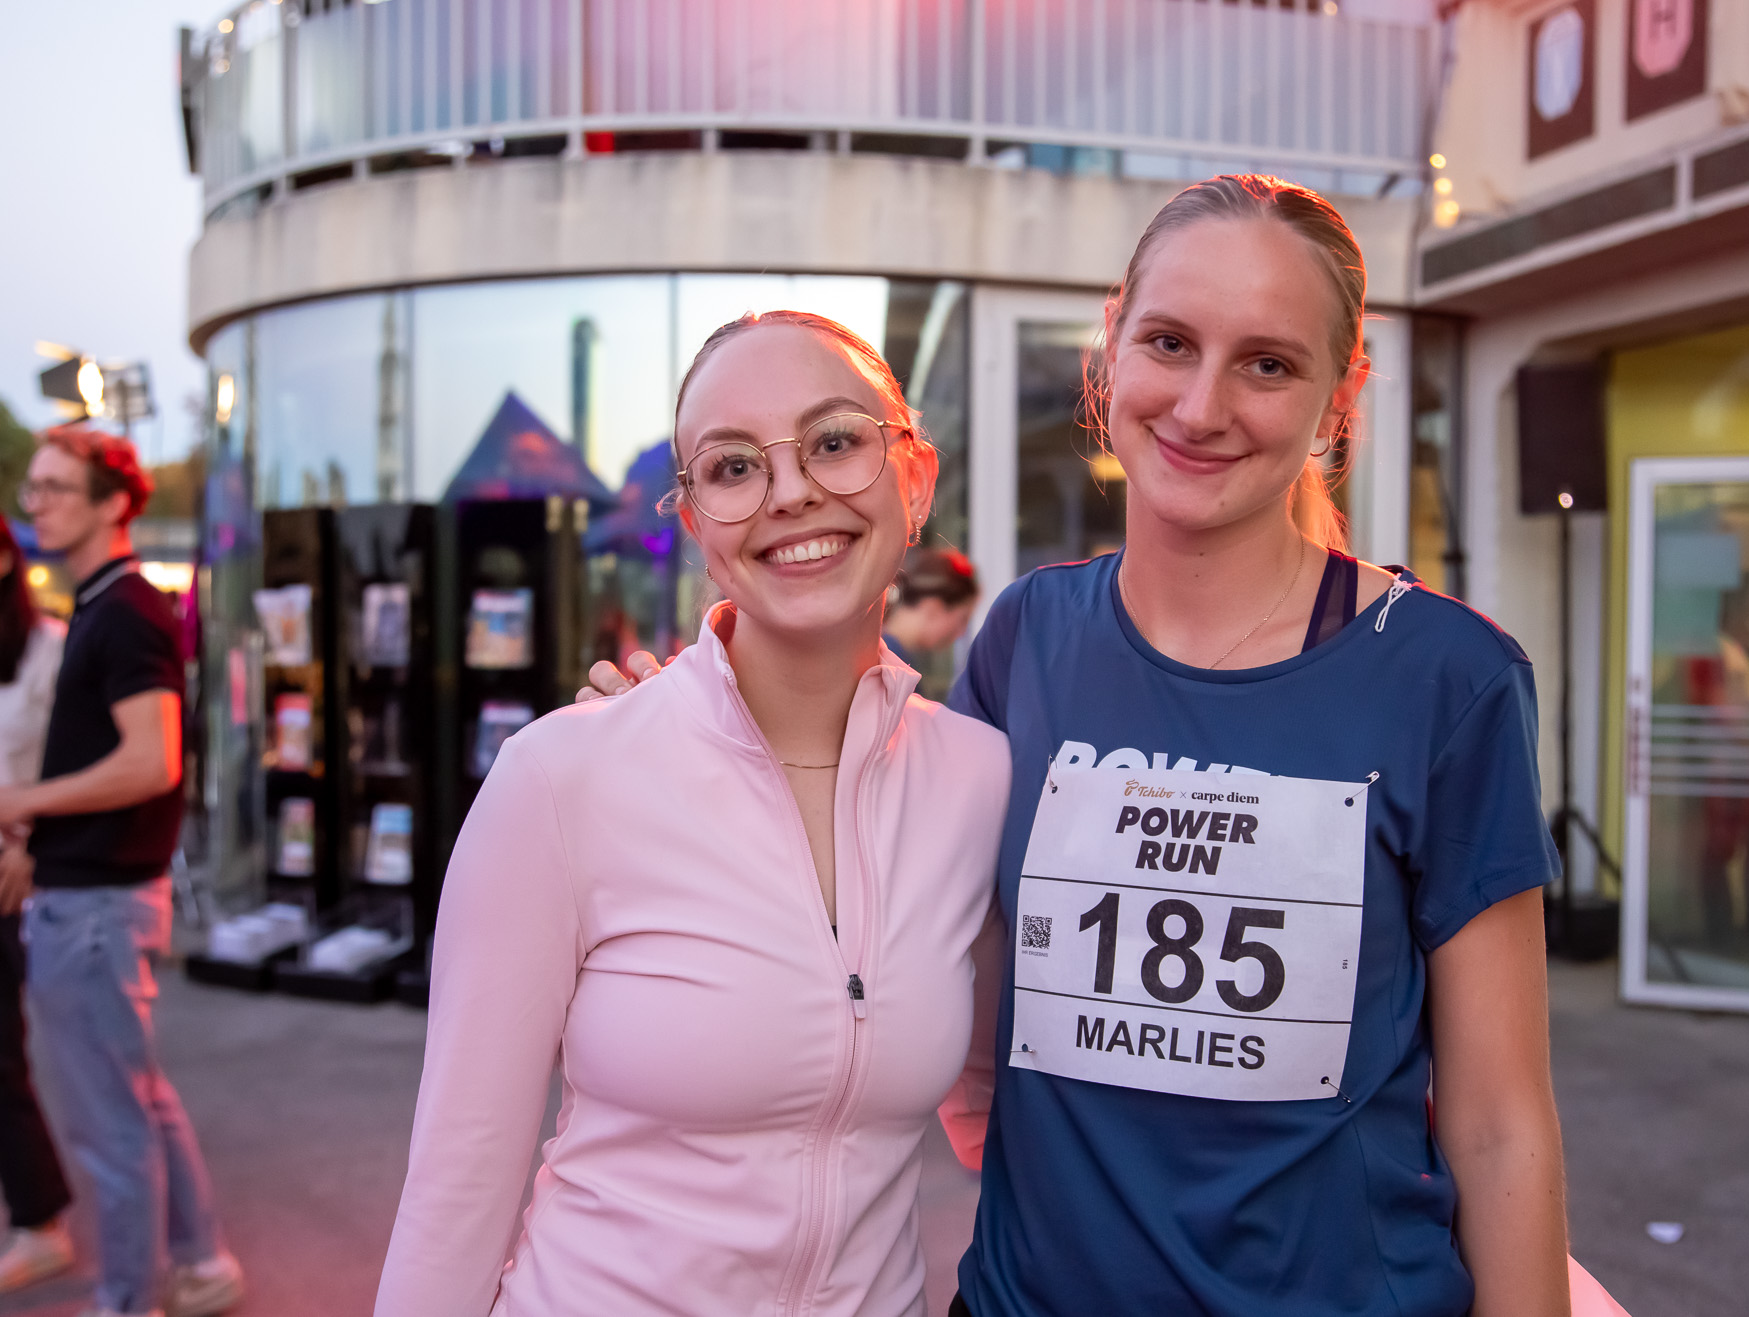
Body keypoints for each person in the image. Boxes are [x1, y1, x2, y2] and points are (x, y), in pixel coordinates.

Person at [591, 177, 1598, 1317]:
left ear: (1340, 395)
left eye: (1267, 363)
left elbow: (1500, 1122)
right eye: (1169, 343)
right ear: (1110, 348)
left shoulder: (1447, 677)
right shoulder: (1027, 636)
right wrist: (686, 726)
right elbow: (864, 857)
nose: (1202, 406)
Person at [374, 311, 1010, 1317]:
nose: (790, 492)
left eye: (835, 441)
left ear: (917, 478)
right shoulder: (563, 776)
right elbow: (456, 1185)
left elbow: (1001, 1122)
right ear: (696, 525)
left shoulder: (979, 779)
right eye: (733, 466)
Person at [0, 428, 242, 1317]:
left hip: (97, 907)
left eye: (55, 487)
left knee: (113, 1124)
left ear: (113, 504)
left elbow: (153, 760)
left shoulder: (126, 609)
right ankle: (202, 1264)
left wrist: (21, 799)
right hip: (94, 899)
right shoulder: (108, 603)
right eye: (32, 488)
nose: (37, 504)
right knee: (135, 1101)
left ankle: (129, 1300)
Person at [0, 521, 75, 1296]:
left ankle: (39, 1220)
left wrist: (33, 847)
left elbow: (81, 766)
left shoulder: (50, 649)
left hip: (16, 874)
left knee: (6, 1054)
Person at [882, 546, 979, 692]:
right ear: (933, 607)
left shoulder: (885, 652)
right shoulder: (893, 666)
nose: (961, 632)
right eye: (962, 619)